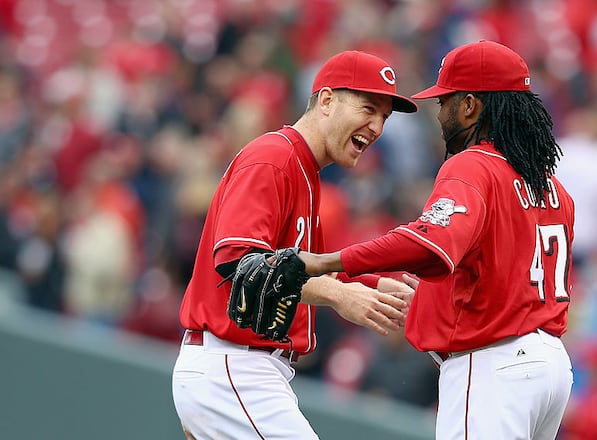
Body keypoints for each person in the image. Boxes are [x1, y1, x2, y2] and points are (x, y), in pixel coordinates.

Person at [294, 40, 576, 440]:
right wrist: (431, 300)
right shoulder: (552, 186)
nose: (439, 112)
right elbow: (500, 278)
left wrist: (324, 262)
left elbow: (429, 244)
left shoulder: (474, 165)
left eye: (445, 101)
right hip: (548, 368)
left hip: (495, 366)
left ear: (470, 106)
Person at [171, 50, 418, 440]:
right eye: (368, 108)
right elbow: (242, 265)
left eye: (383, 118)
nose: (376, 127)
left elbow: (304, 267)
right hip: (234, 363)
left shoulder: (304, 169)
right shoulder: (273, 158)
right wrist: (339, 295)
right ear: (326, 100)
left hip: (247, 369)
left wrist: (370, 288)